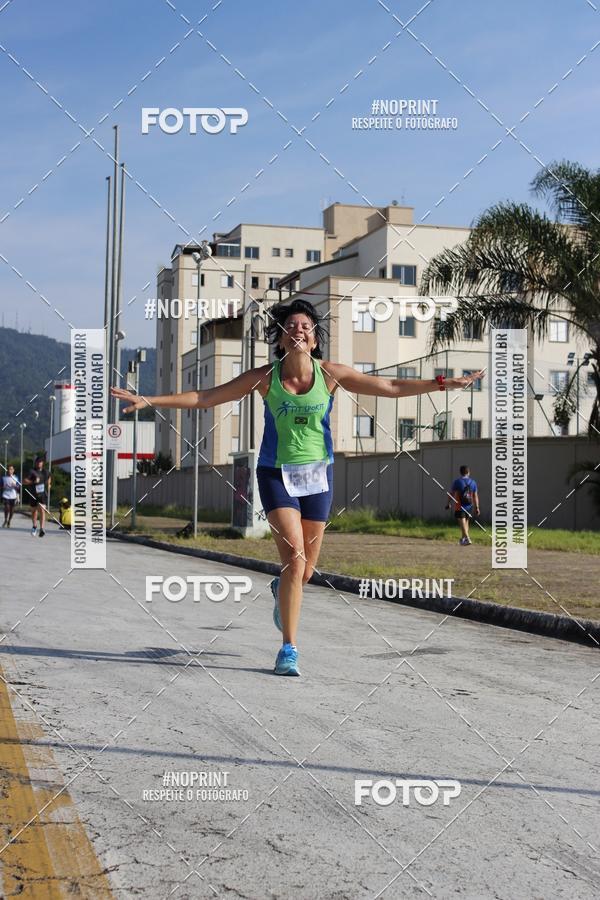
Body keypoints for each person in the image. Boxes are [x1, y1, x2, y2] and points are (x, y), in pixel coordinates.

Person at [112, 299, 484, 676]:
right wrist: (150, 400)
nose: (299, 331)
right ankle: (288, 648)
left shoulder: (331, 374)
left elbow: (388, 385)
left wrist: (442, 383)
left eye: (306, 326)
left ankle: (282, 589)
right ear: (281, 340)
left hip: (317, 477)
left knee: (304, 572)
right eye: (291, 326)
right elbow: (206, 397)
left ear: (315, 338)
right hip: (276, 475)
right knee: (294, 560)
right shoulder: (265, 378)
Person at [22, 456, 52, 537]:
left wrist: (49, 484)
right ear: (35, 463)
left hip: (42, 495)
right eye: (38, 462)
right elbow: (24, 481)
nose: (39, 463)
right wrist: (33, 481)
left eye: (41, 462)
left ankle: (42, 528)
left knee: (42, 510)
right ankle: (34, 526)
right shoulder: (32, 471)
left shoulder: (46, 472)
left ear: (42, 463)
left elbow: (49, 477)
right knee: (34, 511)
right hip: (33, 494)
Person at [451, 465, 480, 545]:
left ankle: (467, 538)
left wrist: (448, 503)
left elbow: (451, 493)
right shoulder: (473, 482)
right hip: (470, 505)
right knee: (466, 522)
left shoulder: (457, 482)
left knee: (462, 521)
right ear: (468, 472)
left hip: (459, 506)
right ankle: (463, 539)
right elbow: (475, 496)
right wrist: (477, 507)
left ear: (460, 472)